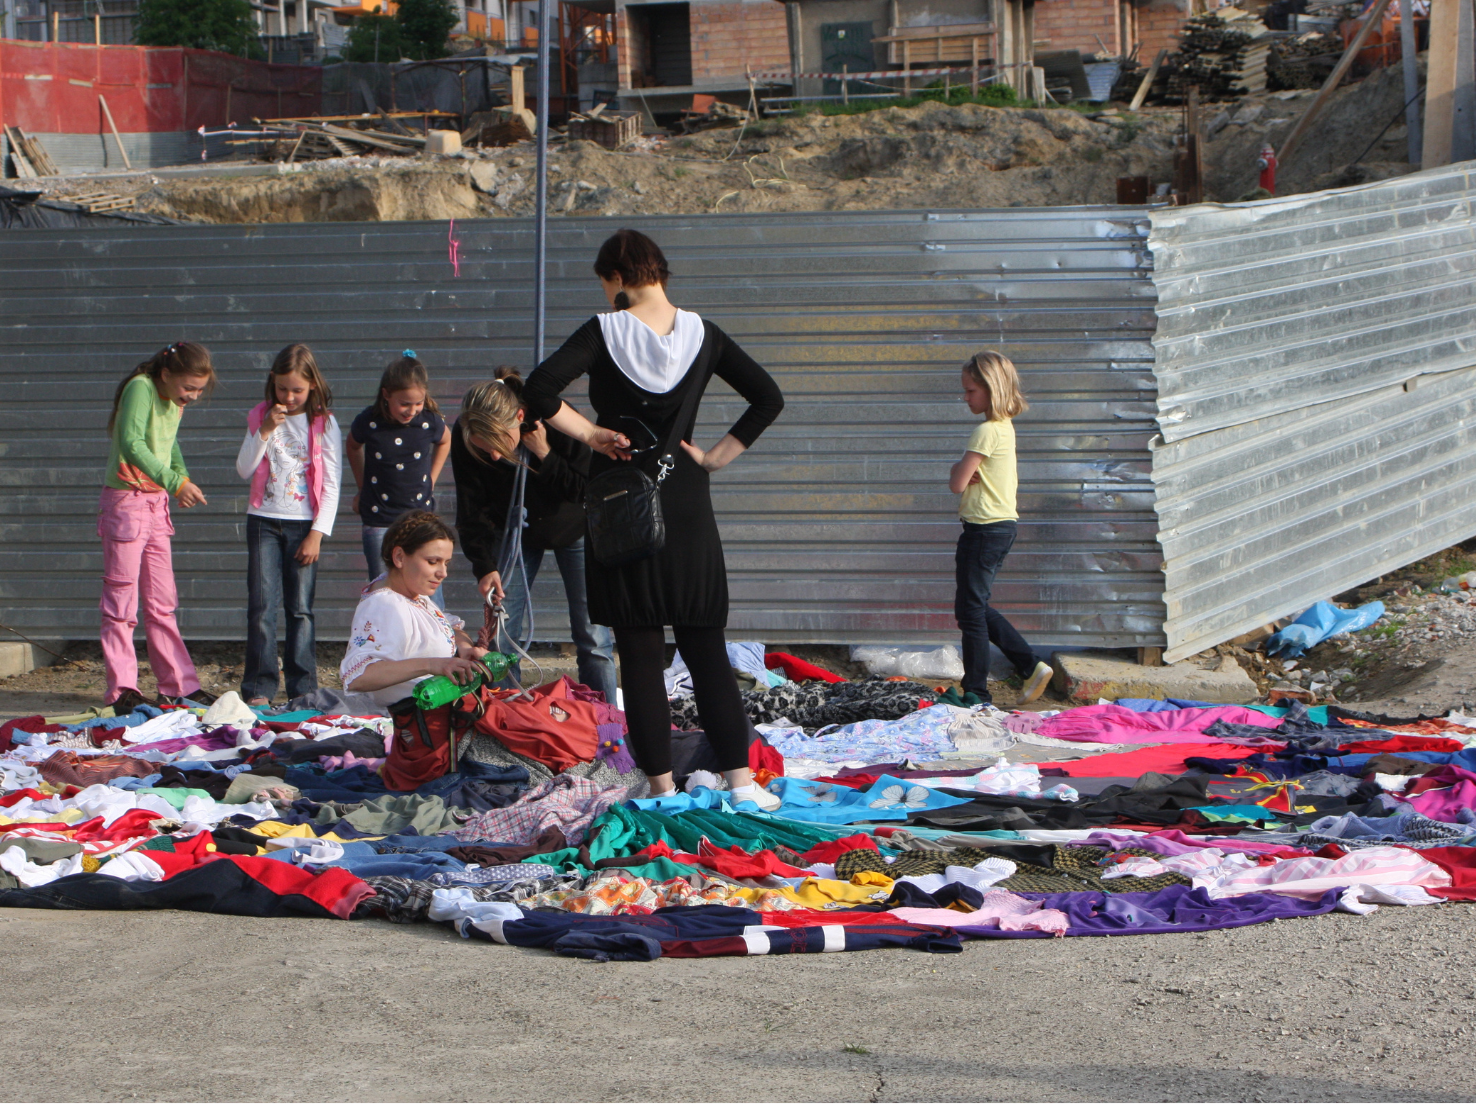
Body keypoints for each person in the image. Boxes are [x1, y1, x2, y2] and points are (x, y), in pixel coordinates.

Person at [523, 228, 784, 807]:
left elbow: (538, 390)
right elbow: (768, 397)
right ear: (660, 273)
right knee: (706, 650)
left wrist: (592, 434)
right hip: (686, 504)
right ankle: (741, 785)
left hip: (622, 508)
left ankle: (661, 790)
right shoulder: (704, 334)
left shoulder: (603, 331)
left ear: (616, 278)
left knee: (639, 656)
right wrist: (715, 457)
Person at [452, 369, 618, 701]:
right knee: (502, 636)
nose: (495, 456)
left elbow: (586, 489)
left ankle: (606, 716)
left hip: (573, 525)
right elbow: (470, 507)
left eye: (499, 444)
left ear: (520, 417)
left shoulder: (555, 417)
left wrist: (545, 454)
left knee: (593, 635)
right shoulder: (466, 431)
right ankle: (506, 714)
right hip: (512, 530)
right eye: (485, 449)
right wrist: (484, 566)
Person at [99, 341, 219, 712]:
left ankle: (178, 686)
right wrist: (174, 481)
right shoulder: (142, 388)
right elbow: (131, 443)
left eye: (199, 390)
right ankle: (122, 691)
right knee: (122, 603)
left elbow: (169, 443)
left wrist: (181, 476)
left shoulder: (173, 400)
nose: (193, 396)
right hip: (127, 502)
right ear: (165, 374)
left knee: (162, 602)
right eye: (189, 388)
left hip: (156, 504)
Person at [233, 343, 342, 706]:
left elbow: (332, 484)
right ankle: (259, 689)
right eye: (282, 388)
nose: (289, 397)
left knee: (300, 609)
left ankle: (303, 689)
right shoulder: (260, 415)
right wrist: (264, 430)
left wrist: (317, 534)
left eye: (298, 390)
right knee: (261, 607)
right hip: (263, 522)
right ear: (272, 382)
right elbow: (244, 469)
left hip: (303, 525)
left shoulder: (324, 423)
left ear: (313, 385)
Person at [949, 351, 1053, 706]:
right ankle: (1028, 665)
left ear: (991, 389)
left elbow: (957, 484)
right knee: (972, 607)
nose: (965, 397)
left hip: (983, 529)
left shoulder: (986, 431)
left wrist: (956, 469)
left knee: (971, 612)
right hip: (1000, 528)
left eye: (971, 390)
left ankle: (977, 691)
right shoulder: (1005, 428)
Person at [338, 510, 479, 710]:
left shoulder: (412, 594)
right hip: (405, 721)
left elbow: (446, 625)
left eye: (446, 563)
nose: (443, 573)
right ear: (399, 557)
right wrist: (431, 665)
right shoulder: (386, 606)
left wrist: (464, 648)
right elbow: (358, 677)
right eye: (432, 562)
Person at [346, 351, 451, 608]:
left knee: (429, 592)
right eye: (404, 404)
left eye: (418, 403)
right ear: (386, 394)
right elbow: (352, 445)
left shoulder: (428, 422)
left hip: (420, 519)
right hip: (379, 517)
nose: (411, 411)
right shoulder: (369, 422)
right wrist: (362, 487)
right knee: (385, 590)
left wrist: (431, 479)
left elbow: (445, 440)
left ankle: (436, 633)